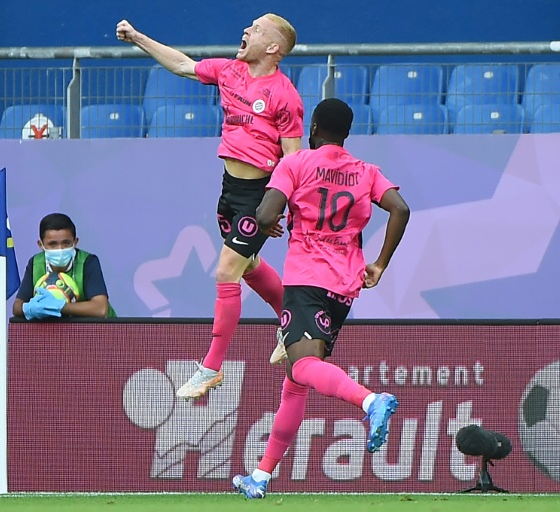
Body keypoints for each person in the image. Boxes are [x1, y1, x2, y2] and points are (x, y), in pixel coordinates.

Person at [116, 14, 304, 399]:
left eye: (257, 29)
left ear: (273, 48)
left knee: (226, 271)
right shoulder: (229, 71)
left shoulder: (285, 95)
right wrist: (137, 37)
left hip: (259, 194)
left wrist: (277, 205)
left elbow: (293, 160)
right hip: (230, 191)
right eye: (249, 25)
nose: (246, 30)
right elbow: (182, 65)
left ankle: (211, 367)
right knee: (248, 265)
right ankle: (294, 324)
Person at [232, 98, 410, 499]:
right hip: (344, 286)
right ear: (346, 133)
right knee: (296, 381)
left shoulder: (296, 163)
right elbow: (400, 208)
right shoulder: (366, 171)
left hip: (307, 279)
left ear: (313, 128)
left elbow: (265, 215)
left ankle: (370, 401)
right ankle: (260, 475)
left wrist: (268, 221)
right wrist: (380, 264)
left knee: (304, 365)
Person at [12, 213, 116, 319]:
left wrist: (60, 307)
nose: (60, 249)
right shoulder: (35, 263)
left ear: (75, 242)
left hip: (100, 328)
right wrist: (29, 308)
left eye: (66, 243)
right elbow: (17, 307)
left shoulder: (88, 262)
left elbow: (100, 309)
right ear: (41, 245)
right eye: (52, 244)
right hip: (58, 328)